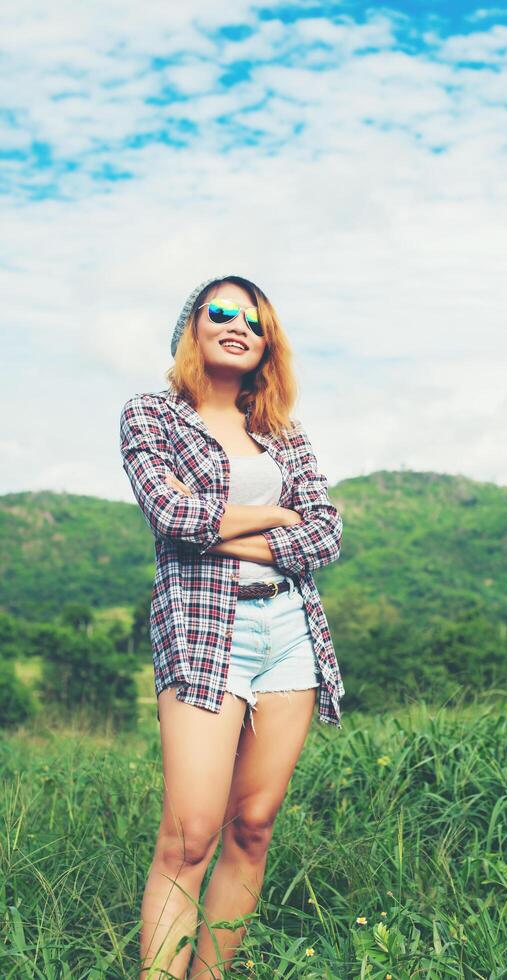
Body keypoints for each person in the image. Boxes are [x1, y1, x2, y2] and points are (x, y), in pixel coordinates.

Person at [118, 275, 345, 978]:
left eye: (255, 319)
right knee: (190, 835)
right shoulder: (151, 415)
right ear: (193, 325)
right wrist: (278, 517)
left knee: (253, 826)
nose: (238, 324)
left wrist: (225, 526)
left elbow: (326, 535)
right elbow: (170, 517)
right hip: (203, 628)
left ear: (266, 342)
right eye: (221, 311)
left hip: (290, 630)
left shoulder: (282, 432)